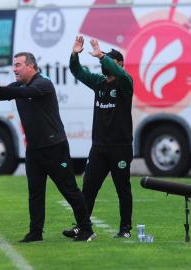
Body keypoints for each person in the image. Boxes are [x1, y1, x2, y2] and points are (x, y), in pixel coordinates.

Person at [0, 52, 95, 242]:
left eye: (18, 65)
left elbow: (21, 93)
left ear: (30, 66)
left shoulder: (43, 84)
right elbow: (0, 93)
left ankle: (86, 229)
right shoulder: (19, 86)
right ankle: (36, 232)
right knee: (35, 192)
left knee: (69, 190)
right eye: (14, 65)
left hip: (54, 147)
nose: (14, 69)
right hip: (34, 149)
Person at [63, 36, 134, 238]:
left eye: (109, 61)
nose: (104, 64)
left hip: (120, 147)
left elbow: (122, 75)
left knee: (123, 188)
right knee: (88, 188)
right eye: (103, 61)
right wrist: (74, 54)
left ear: (118, 64)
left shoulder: (125, 84)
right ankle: (82, 226)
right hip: (99, 147)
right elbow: (77, 71)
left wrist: (102, 55)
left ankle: (125, 229)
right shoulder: (99, 83)